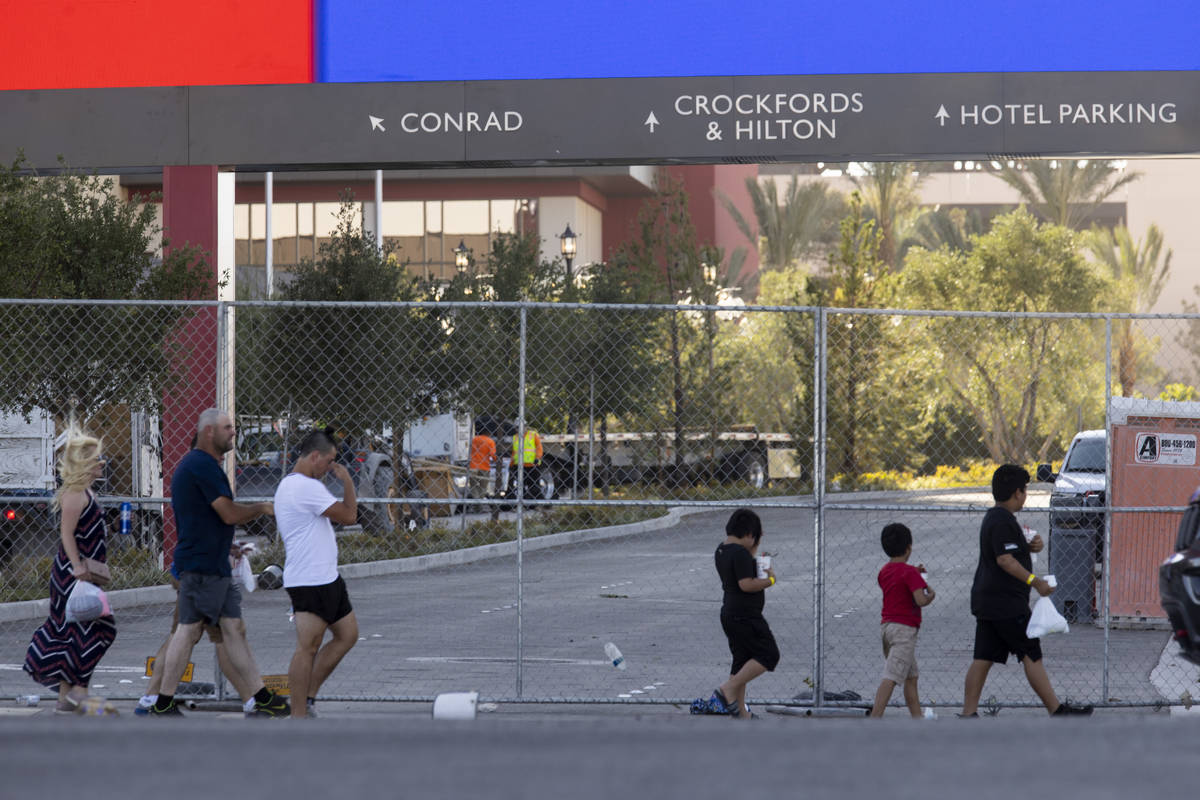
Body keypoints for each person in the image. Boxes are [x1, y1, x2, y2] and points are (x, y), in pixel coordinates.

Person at [147, 408, 288, 718]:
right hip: (202, 566)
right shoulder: (202, 466)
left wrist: (229, 545)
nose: (232, 433)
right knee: (188, 631)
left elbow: (209, 518)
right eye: (227, 428)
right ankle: (162, 701)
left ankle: (259, 696)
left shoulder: (197, 466)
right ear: (209, 431)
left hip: (210, 564)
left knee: (231, 629)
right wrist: (263, 507)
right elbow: (227, 512)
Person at [960, 464, 1093, 717]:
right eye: (1025, 491)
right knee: (1030, 652)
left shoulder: (997, 518)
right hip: (1005, 603)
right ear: (1017, 493)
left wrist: (1031, 546)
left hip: (989, 601)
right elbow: (1005, 559)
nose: (1025, 496)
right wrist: (1036, 581)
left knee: (983, 657)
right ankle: (1057, 710)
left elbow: (1009, 551)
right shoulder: (1002, 521)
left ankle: (968, 714)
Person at [24, 429, 117, 713]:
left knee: (76, 632)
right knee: (97, 629)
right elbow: (66, 535)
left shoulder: (87, 491)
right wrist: (77, 567)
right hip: (71, 576)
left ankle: (69, 698)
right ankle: (77, 691)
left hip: (84, 573)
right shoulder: (75, 495)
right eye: (97, 459)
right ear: (83, 463)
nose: (102, 463)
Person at [274, 430, 359, 719]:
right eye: (330, 461)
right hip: (310, 581)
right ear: (314, 457)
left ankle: (307, 698)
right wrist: (347, 480)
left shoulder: (291, 485)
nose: (331, 467)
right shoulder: (305, 487)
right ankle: (298, 714)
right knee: (307, 648)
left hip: (326, 578)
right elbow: (349, 516)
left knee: (347, 635)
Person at [708, 508, 779, 719]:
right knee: (769, 654)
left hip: (730, 613)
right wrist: (771, 580)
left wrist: (754, 550)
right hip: (745, 615)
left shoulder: (722, 549)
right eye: (755, 537)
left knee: (741, 661)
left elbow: (742, 567)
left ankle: (740, 713)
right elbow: (746, 584)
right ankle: (728, 689)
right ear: (749, 534)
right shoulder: (739, 554)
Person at [869, 523, 935, 718]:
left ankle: (917, 718)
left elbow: (898, 581)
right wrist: (931, 593)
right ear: (909, 548)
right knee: (891, 676)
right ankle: (875, 718)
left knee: (911, 677)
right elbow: (920, 600)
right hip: (904, 632)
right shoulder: (911, 573)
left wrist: (914, 573)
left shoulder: (885, 571)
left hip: (887, 629)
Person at [468, 424, 497, 520]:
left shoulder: (474, 440)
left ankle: (476, 503)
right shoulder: (490, 441)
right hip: (484, 466)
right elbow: (493, 455)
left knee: (473, 485)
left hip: (472, 466)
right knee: (483, 487)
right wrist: (497, 460)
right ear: (488, 433)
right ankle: (479, 503)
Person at [511, 426, 543, 501]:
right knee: (521, 487)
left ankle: (538, 502)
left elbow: (539, 447)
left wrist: (537, 458)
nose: (520, 429)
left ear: (526, 427)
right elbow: (514, 452)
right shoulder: (515, 437)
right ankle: (526, 503)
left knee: (534, 487)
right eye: (517, 427)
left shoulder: (532, 435)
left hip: (532, 465)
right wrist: (511, 464)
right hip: (519, 465)